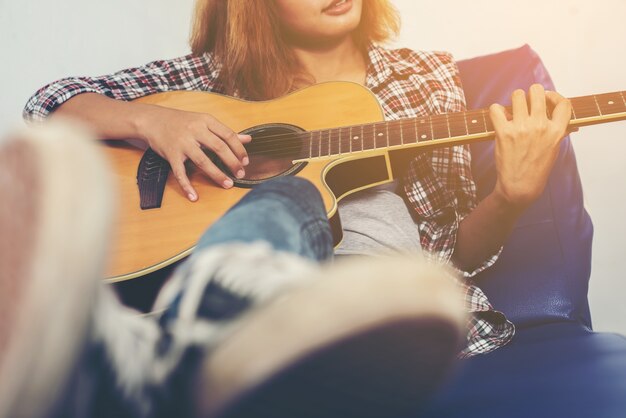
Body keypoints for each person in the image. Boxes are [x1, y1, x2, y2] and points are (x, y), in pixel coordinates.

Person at [11, 0, 572, 416]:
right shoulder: (211, 77)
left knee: (360, 261)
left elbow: (445, 253)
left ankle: (158, 350)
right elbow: (50, 106)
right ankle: (200, 335)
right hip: (250, 271)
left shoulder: (427, 80)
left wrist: (510, 197)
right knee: (299, 192)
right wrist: (154, 121)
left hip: (365, 289)